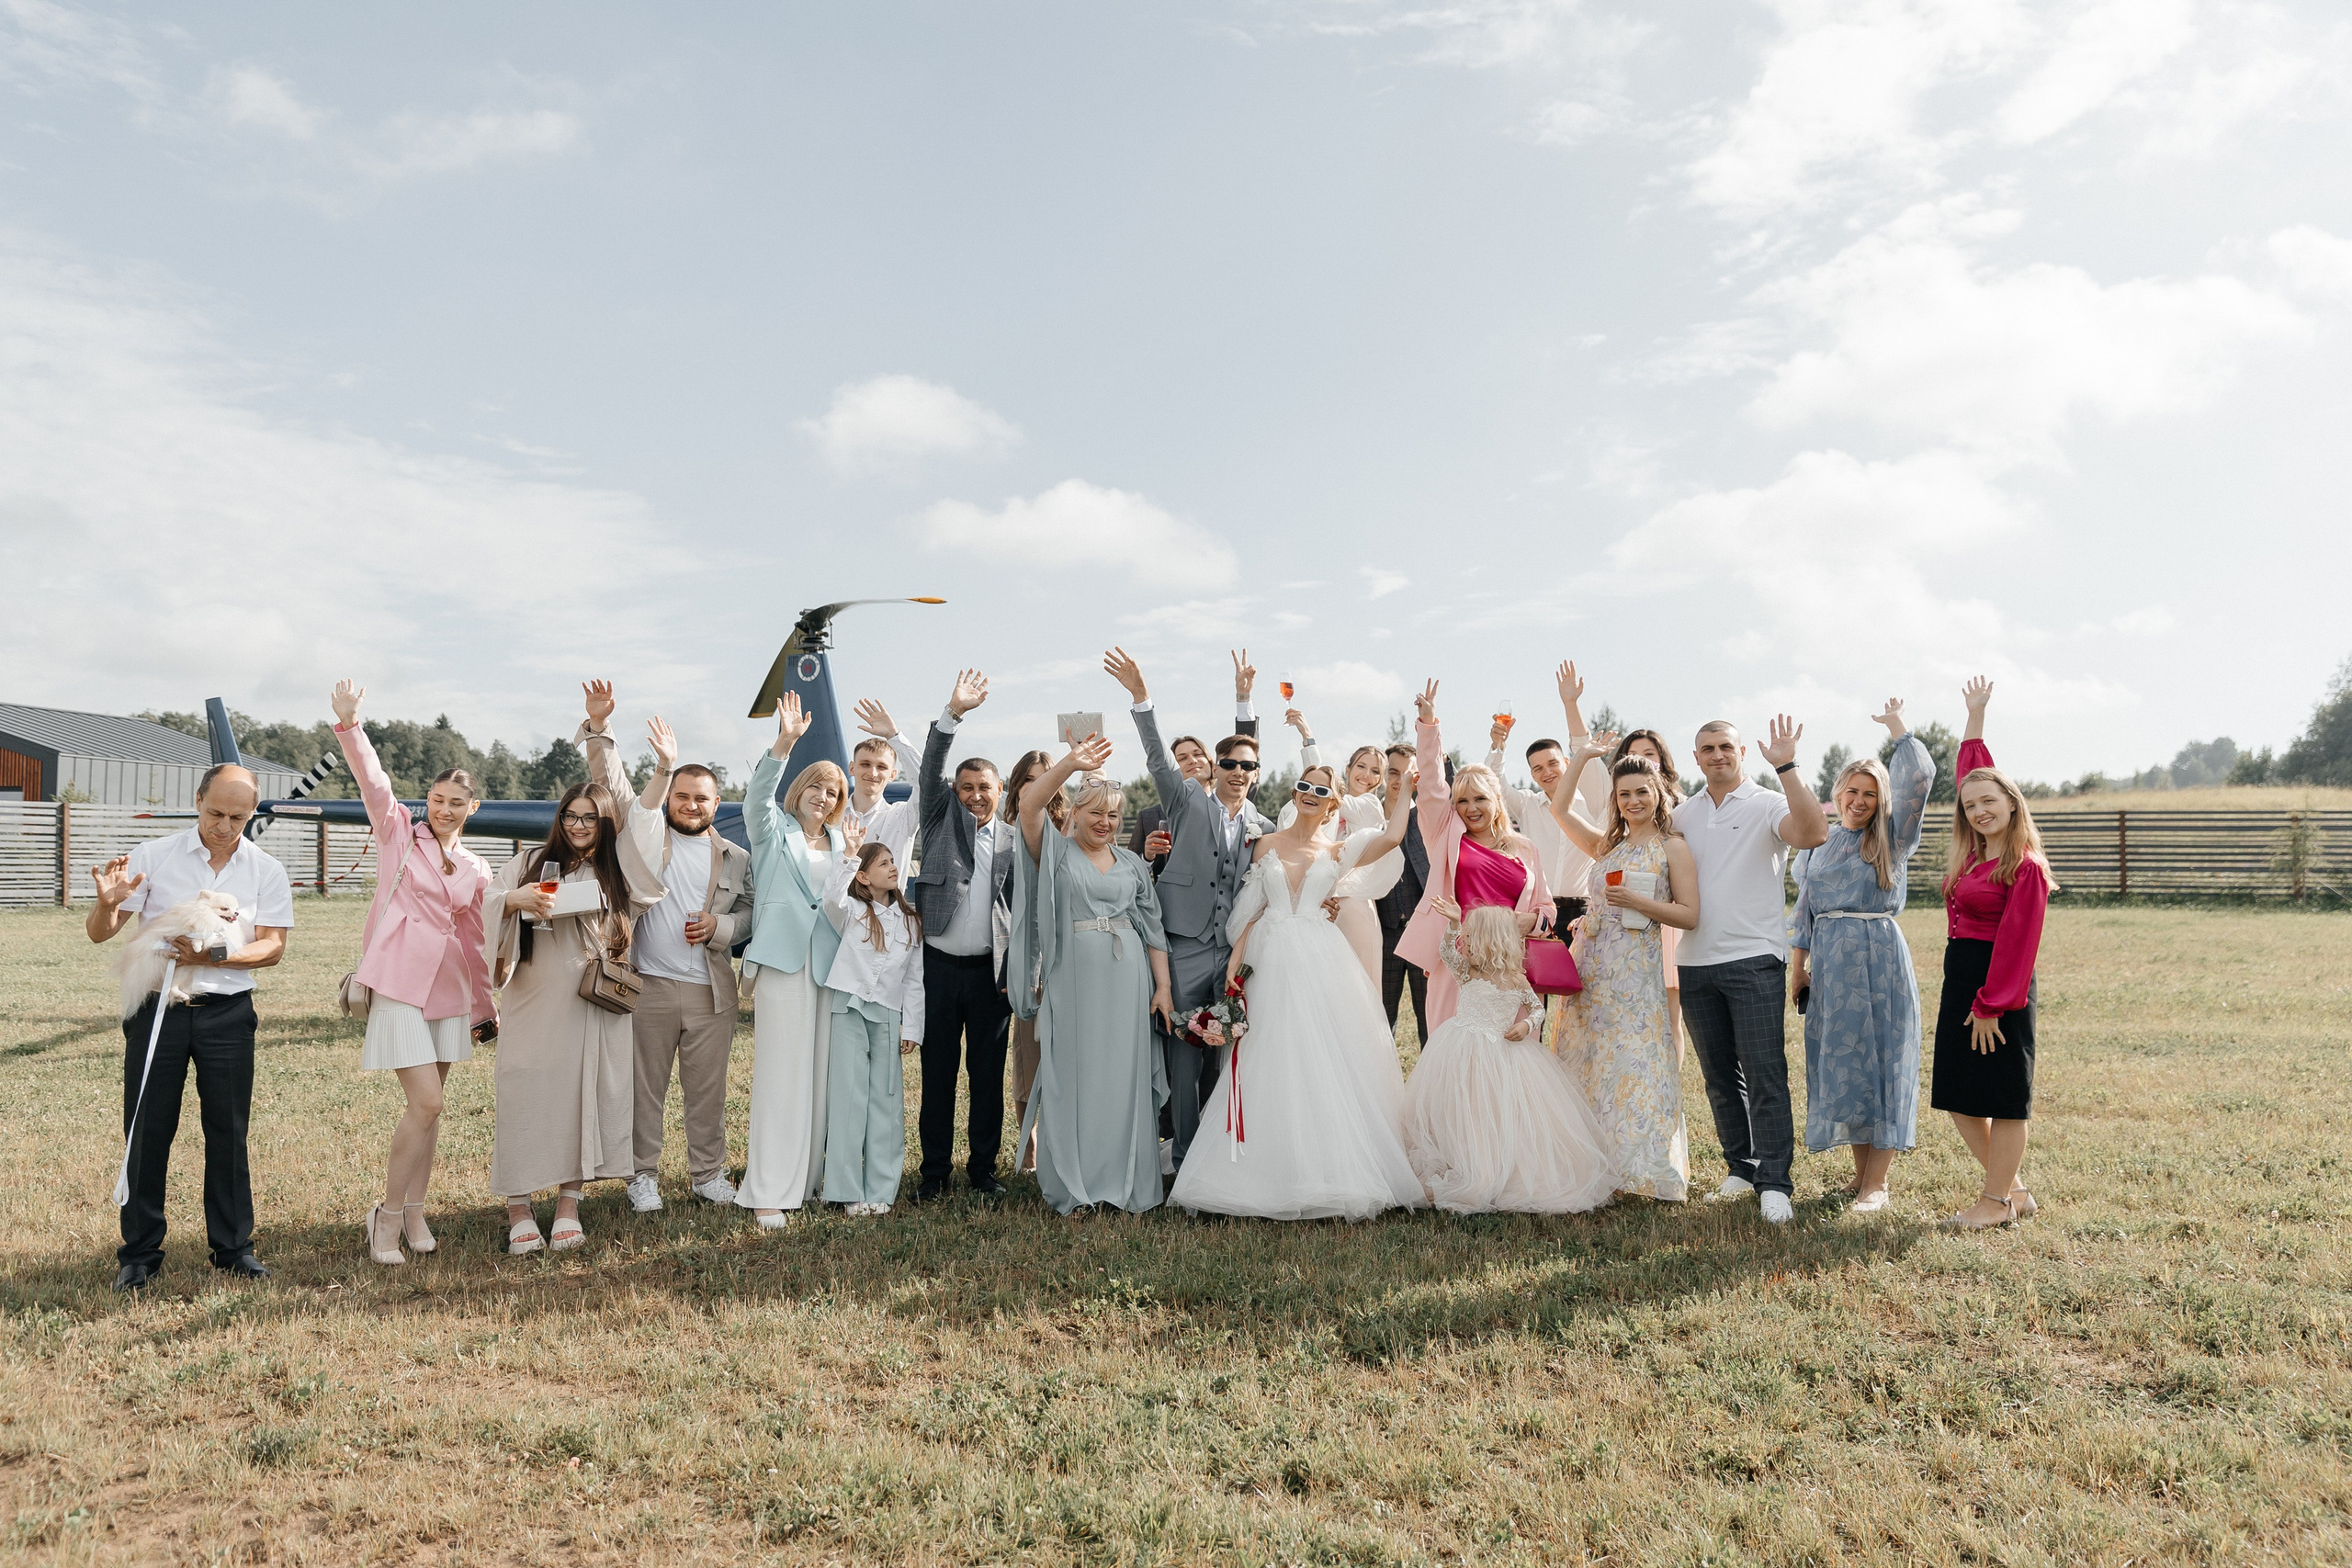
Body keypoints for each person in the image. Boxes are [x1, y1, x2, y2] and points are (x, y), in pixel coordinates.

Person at [1169, 761, 1424, 1221]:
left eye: (1320, 789)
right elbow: (1249, 907)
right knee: (1268, 1053)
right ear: (1294, 793)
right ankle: (1256, 1169)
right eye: (1304, 786)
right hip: (1268, 958)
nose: (1310, 793)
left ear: (1333, 802)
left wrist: (1403, 788)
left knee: (1322, 1055)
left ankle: (1328, 1168)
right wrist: (1235, 959)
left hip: (1321, 958)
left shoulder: (1340, 850)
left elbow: (1390, 837)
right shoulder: (1264, 842)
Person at [85, 765, 293, 1292]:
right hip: (159, 1009)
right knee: (147, 1128)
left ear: (252, 814)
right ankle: (138, 1254)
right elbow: (99, 934)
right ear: (198, 800)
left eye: (238, 817)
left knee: (228, 1131)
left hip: (228, 1014)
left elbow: (272, 947)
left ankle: (232, 1249)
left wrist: (216, 954)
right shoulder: (153, 856)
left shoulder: (265, 868)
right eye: (215, 813)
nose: (225, 827)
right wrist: (107, 906)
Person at [485, 695, 667, 1254]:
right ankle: (519, 1207)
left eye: (591, 817)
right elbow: (487, 908)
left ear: (604, 824)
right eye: (571, 816)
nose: (581, 824)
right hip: (535, 999)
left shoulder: (623, 871)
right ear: (560, 820)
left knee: (582, 1099)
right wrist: (515, 900)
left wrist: (616, 744)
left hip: (595, 1002)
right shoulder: (531, 862)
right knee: (524, 1094)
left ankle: (569, 1204)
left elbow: (641, 811)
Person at [330, 680, 497, 1265]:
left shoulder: (479, 868)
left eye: (455, 802)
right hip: (398, 979)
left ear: (473, 809)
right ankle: (388, 1215)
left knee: (432, 1110)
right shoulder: (399, 831)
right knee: (425, 1103)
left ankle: (419, 1211)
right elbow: (372, 782)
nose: (443, 809)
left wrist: (486, 1009)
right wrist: (351, 726)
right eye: (437, 798)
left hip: (450, 988)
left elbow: (476, 941)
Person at [577, 682, 752, 1216]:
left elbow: (750, 915)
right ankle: (642, 1176)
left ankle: (708, 1174)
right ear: (670, 797)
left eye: (702, 798)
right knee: (643, 1091)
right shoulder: (645, 829)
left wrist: (721, 927)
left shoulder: (737, 857)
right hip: (645, 984)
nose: (691, 805)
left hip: (709, 991)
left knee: (707, 1093)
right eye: (683, 795)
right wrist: (600, 729)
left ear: (717, 804)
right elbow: (611, 778)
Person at [1106, 647, 1276, 1169]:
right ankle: (1181, 1155)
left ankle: (1220, 1153)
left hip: (1234, 953)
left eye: (1249, 766)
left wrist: (1246, 699)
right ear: (1214, 768)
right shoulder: (1185, 802)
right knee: (1184, 1055)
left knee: (1226, 1054)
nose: (1239, 772)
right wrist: (1141, 698)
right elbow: (1159, 758)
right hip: (1183, 949)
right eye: (1229, 764)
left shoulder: (1264, 827)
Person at [1673, 715, 1829, 1225]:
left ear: (1742, 752)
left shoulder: (1768, 803)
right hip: (1694, 963)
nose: (1717, 755)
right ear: (1695, 758)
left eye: (1725, 747)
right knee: (1719, 1078)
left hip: (1756, 960)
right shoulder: (1680, 815)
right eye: (1707, 749)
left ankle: (1775, 1183)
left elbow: (1813, 831)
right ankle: (1740, 1168)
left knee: (1766, 1075)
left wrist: (1786, 766)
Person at [1012, 734, 1175, 1214]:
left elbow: (1153, 929)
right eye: (1095, 813)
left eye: (1113, 815)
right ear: (1076, 814)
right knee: (1076, 1076)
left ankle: (1127, 1185)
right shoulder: (1056, 854)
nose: (1104, 823)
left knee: (1123, 1078)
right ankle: (1076, 1186)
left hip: (1129, 985)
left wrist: (1162, 987)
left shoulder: (1131, 864)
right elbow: (1029, 805)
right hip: (1074, 979)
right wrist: (1070, 763)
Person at [1789, 701, 1933, 1213]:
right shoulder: (1815, 845)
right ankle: (1859, 1177)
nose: (1859, 800)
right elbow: (1803, 911)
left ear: (1881, 800)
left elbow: (1918, 777)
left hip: (1881, 959)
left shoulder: (1894, 840)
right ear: (1837, 793)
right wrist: (1799, 968)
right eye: (1852, 791)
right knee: (1847, 1063)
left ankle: (1878, 1184)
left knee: (1885, 1061)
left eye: (1870, 794)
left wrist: (1899, 731)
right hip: (1831, 963)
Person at [1548, 747, 1702, 1201]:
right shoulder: (1608, 846)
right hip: (1590, 968)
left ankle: (1641, 1168)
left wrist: (1643, 905)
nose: (1633, 801)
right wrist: (1582, 757)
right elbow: (1559, 808)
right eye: (1624, 794)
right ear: (1615, 799)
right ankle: (1595, 1166)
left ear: (1657, 794)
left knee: (1635, 1060)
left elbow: (1690, 914)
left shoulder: (1672, 847)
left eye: (1641, 792)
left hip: (1636, 974)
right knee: (1587, 1059)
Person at [1403, 904, 1618, 1214]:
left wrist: (1526, 1025)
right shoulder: (1468, 971)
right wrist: (1451, 924)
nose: (1466, 942)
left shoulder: (1517, 980)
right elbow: (1447, 953)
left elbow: (1537, 1009)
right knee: (1464, 1107)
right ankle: (1462, 1161)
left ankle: (1495, 1169)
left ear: (1492, 940)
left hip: (1502, 1055)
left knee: (1496, 1110)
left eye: (1471, 936)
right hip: (1463, 1049)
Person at [1934, 676, 2054, 1231]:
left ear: (2012, 803)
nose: (1980, 809)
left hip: (1997, 987)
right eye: (1972, 804)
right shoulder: (1976, 855)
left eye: (1991, 801)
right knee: (1960, 1096)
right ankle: (2014, 1191)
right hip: (1962, 981)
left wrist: (1992, 1003)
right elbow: (1971, 777)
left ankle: (1994, 1201)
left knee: (2004, 1099)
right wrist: (1974, 719)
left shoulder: (2023, 866)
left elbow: (2018, 943)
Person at [738, 693, 852, 1226]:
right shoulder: (770, 832)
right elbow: (757, 796)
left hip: (829, 966)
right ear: (798, 790)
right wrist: (783, 745)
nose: (824, 797)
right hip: (782, 964)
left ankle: (803, 1182)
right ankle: (766, 1190)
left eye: (834, 792)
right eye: (816, 787)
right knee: (781, 1076)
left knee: (819, 1076)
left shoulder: (842, 841)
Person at [909, 669, 1017, 1202]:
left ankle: (982, 1169)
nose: (976, 796)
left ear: (1000, 792)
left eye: (985, 788)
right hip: (938, 971)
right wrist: (952, 714)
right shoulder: (938, 820)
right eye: (967, 787)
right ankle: (933, 1174)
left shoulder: (1016, 842)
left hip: (990, 978)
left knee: (988, 1077)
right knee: (938, 1075)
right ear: (956, 791)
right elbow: (929, 768)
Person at [1394, 680, 1554, 1036]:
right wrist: (1429, 725)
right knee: (1456, 1056)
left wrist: (1532, 922)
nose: (1470, 808)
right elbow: (1433, 785)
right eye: (1462, 801)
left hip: (1511, 964)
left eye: (1480, 799)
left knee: (1511, 1061)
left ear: (1497, 799)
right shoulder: (1446, 835)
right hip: (1458, 962)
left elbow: (1546, 906)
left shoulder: (1526, 849)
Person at [819, 843, 924, 1215]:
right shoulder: (853, 912)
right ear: (864, 876)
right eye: (884, 863)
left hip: (889, 1015)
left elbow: (914, 978)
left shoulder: (912, 922)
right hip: (849, 1008)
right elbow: (830, 900)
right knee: (849, 1096)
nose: (893, 867)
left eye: (894, 861)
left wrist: (912, 1026)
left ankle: (881, 1190)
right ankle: (847, 1192)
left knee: (887, 1099)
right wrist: (848, 857)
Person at [1277, 711, 1405, 987]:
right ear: (1348, 769)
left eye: (1375, 771)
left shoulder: (1369, 805)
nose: (1366, 775)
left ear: (1379, 781)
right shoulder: (1327, 811)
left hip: (1353, 903)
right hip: (1318, 902)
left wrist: (1310, 744)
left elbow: (1326, 790)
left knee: (1361, 983)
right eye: (1361, 766)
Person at [1128, 650, 1265, 873]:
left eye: (1198, 754)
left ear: (1215, 766)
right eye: (1181, 758)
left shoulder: (1238, 799)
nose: (1192, 760)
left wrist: (1243, 698)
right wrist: (1147, 856)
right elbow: (1131, 871)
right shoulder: (1151, 816)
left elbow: (1246, 754)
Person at [1001, 748, 1069, 1173]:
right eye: (1028, 779)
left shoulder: (1073, 828)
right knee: (1028, 1056)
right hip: (1027, 957)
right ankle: (1028, 1149)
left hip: (1070, 956)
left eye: (1045, 777)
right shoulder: (1011, 830)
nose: (1036, 786)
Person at [1373, 743, 1431, 1037]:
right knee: (1380, 1019)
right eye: (1393, 772)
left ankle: (1433, 1084)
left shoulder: (1428, 818)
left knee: (1430, 1020)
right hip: (1382, 932)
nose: (1400, 780)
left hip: (1424, 934)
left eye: (1409, 773)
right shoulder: (1368, 815)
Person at [847, 698, 926, 864]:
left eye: (882, 767)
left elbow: (927, 783)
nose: (873, 772)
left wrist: (894, 736)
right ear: (852, 768)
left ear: (893, 774)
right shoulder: (831, 816)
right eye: (865, 764)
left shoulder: (902, 818)